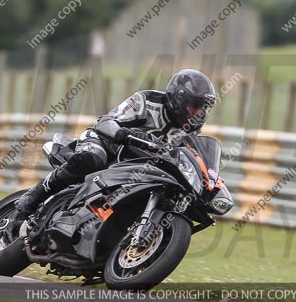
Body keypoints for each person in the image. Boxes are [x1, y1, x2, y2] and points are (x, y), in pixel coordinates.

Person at [14, 69, 217, 219]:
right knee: (91, 160)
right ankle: (38, 193)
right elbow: (105, 122)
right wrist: (124, 133)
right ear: (179, 97)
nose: (197, 114)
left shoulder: (189, 132)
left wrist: (209, 179)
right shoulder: (147, 101)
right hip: (105, 145)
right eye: (194, 106)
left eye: (202, 110)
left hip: (136, 170)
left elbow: (190, 156)